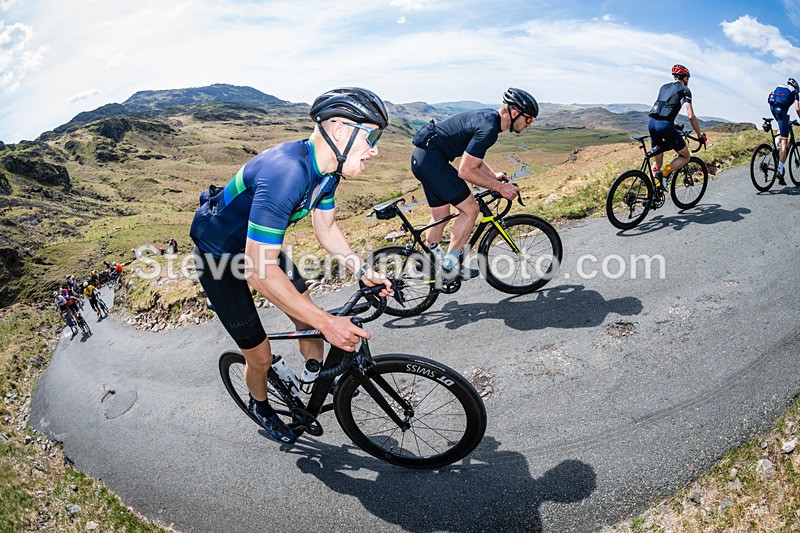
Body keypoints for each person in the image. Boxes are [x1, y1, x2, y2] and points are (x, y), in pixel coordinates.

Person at [190, 87, 392, 444]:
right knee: (261, 356)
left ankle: (310, 377)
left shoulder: (328, 170)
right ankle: (261, 406)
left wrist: (362, 270)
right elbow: (257, 270)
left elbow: (326, 227)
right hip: (219, 257)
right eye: (372, 136)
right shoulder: (288, 172)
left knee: (308, 322)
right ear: (342, 131)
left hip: (256, 248)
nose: (375, 149)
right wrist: (330, 323)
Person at [409, 87, 537, 277]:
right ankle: (449, 266)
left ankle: (429, 259)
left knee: (440, 214)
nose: (529, 124)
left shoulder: (489, 118)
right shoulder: (489, 129)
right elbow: (466, 171)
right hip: (432, 162)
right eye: (528, 119)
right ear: (515, 113)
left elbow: (472, 157)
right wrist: (501, 188)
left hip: (423, 159)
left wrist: (493, 176)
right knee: (471, 209)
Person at [647, 64, 707, 189]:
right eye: (688, 79)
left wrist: (674, 124)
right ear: (685, 78)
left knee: (657, 162)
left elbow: (661, 111)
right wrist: (699, 135)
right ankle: (664, 174)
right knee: (685, 156)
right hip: (664, 126)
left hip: (651, 123)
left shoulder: (663, 87)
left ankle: (651, 192)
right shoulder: (685, 90)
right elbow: (690, 115)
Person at [768, 78, 800, 185]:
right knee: (785, 141)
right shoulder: (795, 92)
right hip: (781, 110)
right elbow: (797, 108)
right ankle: (780, 170)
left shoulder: (780, 85)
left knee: (781, 125)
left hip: (772, 107)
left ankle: (775, 145)